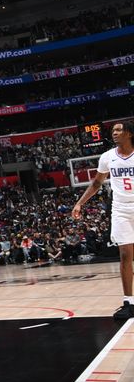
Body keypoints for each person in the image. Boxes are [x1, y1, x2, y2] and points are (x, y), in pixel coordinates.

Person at [73, 121, 134, 319]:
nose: (115, 133)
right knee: (125, 255)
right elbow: (97, 183)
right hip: (120, 210)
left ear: (129, 133)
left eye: (119, 130)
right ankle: (129, 302)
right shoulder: (107, 157)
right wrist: (79, 203)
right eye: (113, 131)